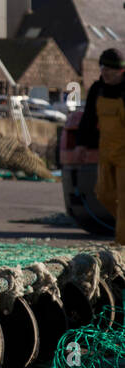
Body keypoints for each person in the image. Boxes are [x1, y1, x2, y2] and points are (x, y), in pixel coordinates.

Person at [76, 47, 125, 244]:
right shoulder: (98, 89)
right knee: (104, 194)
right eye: (103, 68)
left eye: (110, 70)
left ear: (121, 71)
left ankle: (121, 244)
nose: (105, 73)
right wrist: (81, 144)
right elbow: (88, 118)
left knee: (124, 198)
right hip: (106, 151)